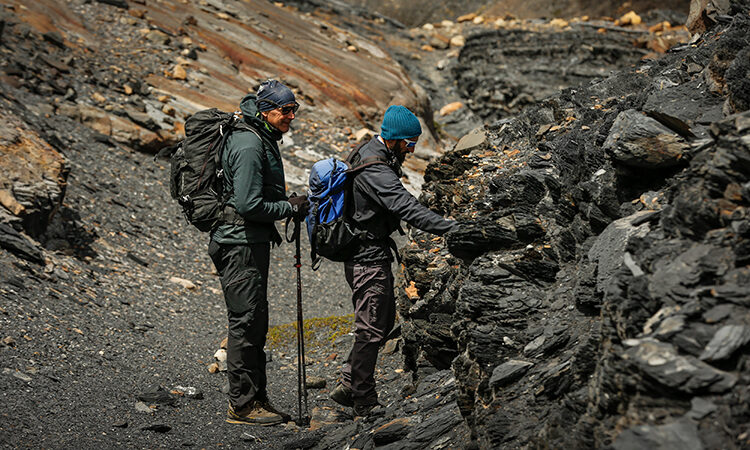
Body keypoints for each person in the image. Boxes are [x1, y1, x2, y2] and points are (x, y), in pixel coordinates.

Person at [329, 105, 456, 416]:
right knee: (372, 327)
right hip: (366, 256)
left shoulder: (368, 150)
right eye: (410, 143)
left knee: (381, 322)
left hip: (367, 252)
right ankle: (364, 401)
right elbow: (406, 207)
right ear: (396, 139)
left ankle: (349, 382)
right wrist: (454, 228)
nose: (412, 149)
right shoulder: (377, 170)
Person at [207, 79, 308, 426]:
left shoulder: (258, 135)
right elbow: (248, 204)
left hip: (247, 242)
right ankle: (243, 406)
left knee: (255, 320)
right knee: (246, 322)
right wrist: (288, 209)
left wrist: (285, 204)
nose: (291, 116)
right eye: (285, 110)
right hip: (239, 244)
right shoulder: (250, 144)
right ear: (265, 110)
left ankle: (256, 398)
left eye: (294, 110)